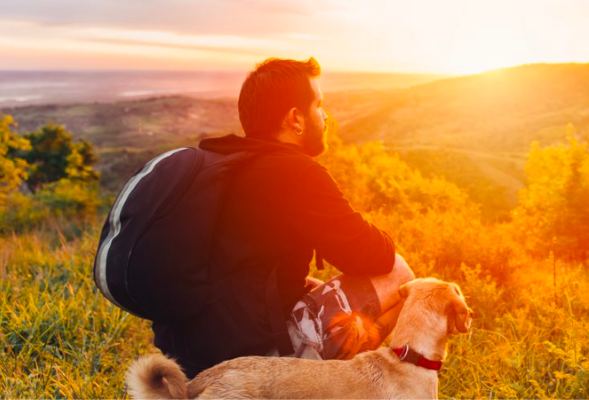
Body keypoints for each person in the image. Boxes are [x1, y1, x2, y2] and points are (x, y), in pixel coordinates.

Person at [151, 57, 415, 379]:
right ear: (295, 119)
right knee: (400, 274)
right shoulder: (295, 171)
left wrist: (304, 288)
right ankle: (333, 384)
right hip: (250, 362)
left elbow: (243, 266)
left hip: (189, 357)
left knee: (316, 289)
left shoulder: (223, 162)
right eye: (319, 105)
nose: (325, 115)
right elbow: (377, 255)